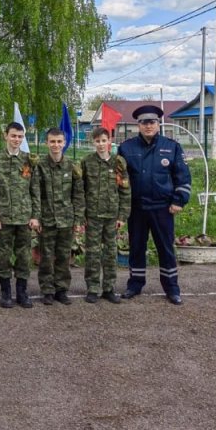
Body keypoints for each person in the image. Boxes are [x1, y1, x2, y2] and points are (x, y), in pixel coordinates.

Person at [118, 105, 192, 305]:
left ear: (158, 124)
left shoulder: (172, 146)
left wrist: (179, 200)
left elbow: (183, 176)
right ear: (138, 125)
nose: (148, 126)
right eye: (144, 122)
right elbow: (119, 179)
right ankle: (134, 284)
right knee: (136, 247)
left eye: (152, 122)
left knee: (166, 249)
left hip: (162, 208)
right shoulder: (126, 148)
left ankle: (172, 288)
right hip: (137, 208)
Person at [0, 122, 41, 309]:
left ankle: (22, 292)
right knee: (3, 256)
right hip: (4, 218)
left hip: (25, 218)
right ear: (6, 136)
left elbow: (35, 191)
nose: (16, 140)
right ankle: (5, 292)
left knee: (24, 256)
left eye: (20, 136)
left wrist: (35, 216)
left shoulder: (29, 160)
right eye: (13, 136)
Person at [33, 127, 85, 306]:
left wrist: (77, 220)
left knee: (64, 256)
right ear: (46, 143)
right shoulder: (39, 166)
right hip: (47, 220)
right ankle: (47, 290)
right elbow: (36, 194)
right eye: (52, 141)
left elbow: (78, 195)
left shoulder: (72, 166)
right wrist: (37, 217)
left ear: (64, 143)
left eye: (59, 141)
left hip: (66, 220)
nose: (56, 145)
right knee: (46, 257)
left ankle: (61, 289)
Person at [80, 127, 131, 304]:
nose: (101, 145)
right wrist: (82, 214)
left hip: (112, 217)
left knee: (110, 253)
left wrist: (122, 216)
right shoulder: (86, 162)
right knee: (92, 253)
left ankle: (109, 288)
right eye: (97, 141)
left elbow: (125, 190)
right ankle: (93, 288)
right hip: (93, 216)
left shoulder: (118, 163)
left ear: (109, 141)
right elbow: (80, 190)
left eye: (104, 140)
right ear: (92, 143)